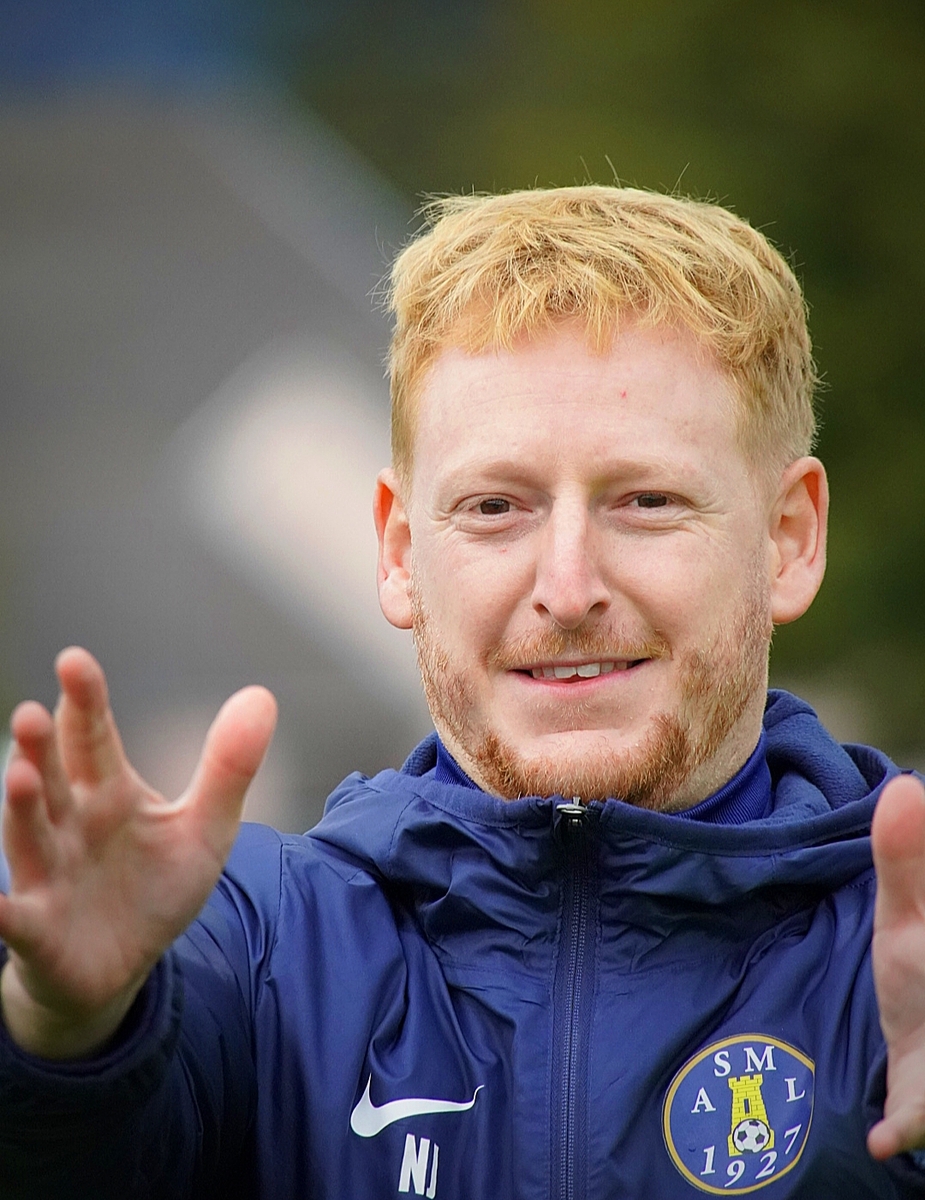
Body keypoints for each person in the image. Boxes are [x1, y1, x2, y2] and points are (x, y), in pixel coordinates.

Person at [1, 185, 925, 1200]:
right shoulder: (251, 953)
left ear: (788, 538)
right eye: (494, 507)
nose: (566, 588)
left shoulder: (897, 947)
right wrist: (66, 1037)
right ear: (400, 553)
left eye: (646, 501)